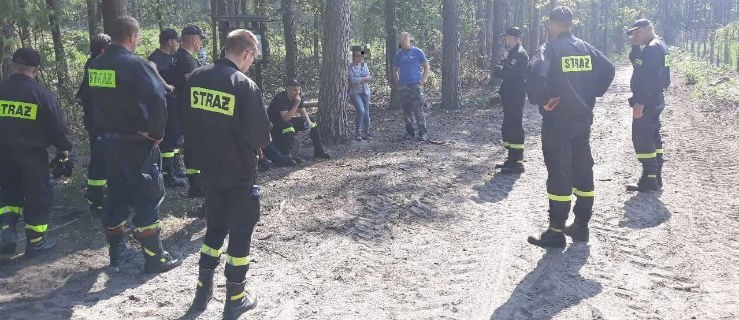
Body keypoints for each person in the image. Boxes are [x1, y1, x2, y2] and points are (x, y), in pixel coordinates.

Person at [183, 29, 271, 319]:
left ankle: (202, 292)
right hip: (238, 172)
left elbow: (185, 119)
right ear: (246, 53)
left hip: (207, 170)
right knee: (241, 232)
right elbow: (260, 135)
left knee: (215, 228)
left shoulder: (194, 78)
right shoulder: (244, 85)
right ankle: (235, 297)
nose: (251, 64)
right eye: (252, 58)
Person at [88, 16, 181, 272]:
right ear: (132, 37)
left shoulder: (96, 65)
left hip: (107, 143)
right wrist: (157, 133)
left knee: (116, 194)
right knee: (147, 195)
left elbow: (88, 99)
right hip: (136, 143)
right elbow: (157, 99)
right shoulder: (135, 65)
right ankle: (154, 257)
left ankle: (117, 252)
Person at [526, 6, 615, 249]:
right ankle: (581, 226)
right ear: (571, 24)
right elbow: (608, 70)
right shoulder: (586, 48)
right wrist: (592, 93)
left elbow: (534, 77)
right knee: (583, 172)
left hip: (558, 125)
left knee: (559, 175)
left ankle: (555, 232)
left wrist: (544, 99)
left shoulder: (550, 49)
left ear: (552, 24)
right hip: (582, 123)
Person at [0, 48, 73, 257]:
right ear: (37, 69)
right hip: (31, 156)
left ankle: (6, 231)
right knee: (37, 195)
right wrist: (63, 149)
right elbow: (57, 127)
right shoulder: (41, 95)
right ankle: (36, 241)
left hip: (2, 155)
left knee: (8, 191)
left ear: (13, 65)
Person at [625, 19, 671, 192]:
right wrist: (636, 47)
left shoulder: (652, 48)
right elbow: (637, 64)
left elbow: (649, 78)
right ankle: (656, 177)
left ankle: (649, 179)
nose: (635, 35)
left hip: (648, 100)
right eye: (633, 33)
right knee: (653, 136)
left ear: (649, 28)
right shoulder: (660, 45)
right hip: (656, 98)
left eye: (638, 32)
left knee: (642, 137)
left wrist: (640, 102)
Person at [77, 33, 112, 217]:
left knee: (103, 158)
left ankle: (100, 196)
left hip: (99, 122)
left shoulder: (94, 63)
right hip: (99, 123)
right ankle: (95, 199)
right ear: (103, 49)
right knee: (100, 159)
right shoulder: (97, 66)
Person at [148, 28, 188, 188]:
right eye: (177, 42)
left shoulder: (173, 57)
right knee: (169, 139)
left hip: (175, 104)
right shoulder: (156, 57)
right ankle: (168, 175)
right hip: (165, 104)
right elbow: (150, 66)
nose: (179, 45)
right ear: (170, 41)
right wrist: (165, 85)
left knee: (176, 137)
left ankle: (176, 169)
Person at [173, 25, 207, 198]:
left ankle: (195, 181)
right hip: (189, 111)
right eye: (201, 40)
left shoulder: (177, 56)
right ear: (194, 40)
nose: (201, 44)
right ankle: (196, 184)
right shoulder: (187, 60)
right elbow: (194, 86)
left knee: (189, 146)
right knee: (194, 146)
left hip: (179, 109)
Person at [493, 27, 529, 173]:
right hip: (509, 94)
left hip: (515, 94)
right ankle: (511, 159)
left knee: (514, 125)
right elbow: (499, 69)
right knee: (508, 125)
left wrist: (501, 69)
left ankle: (518, 162)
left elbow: (505, 72)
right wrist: (501, 68)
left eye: (506, 37)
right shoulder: (512, 52)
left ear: (512, 37)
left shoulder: (519, 54)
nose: (505, 40)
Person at [267, 79, 331, 161]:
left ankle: (319, 150)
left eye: (299, 89)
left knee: (312, 121)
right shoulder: (281, 98)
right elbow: (285, 118)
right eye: (294, 90)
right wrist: (296, 103)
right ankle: (287, 155)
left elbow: (303, 113)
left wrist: (308, 121)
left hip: (286, 121)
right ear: (288, 89)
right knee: (288, 126)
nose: (297, 92)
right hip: (273, 125)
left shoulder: (297, 97)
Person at [394, 32, 430, 141]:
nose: (404, 40)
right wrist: (398, 82)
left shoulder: (417, 51)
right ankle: (410, 132)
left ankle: (423, 133)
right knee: (406, 110)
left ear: (409, 39)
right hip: (403, 86)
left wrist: (423, 79)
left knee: (418, 109)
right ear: (400, 40)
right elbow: (394, 70)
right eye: (402, 38)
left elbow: (426, 66)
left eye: (405, 38)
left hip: (415, 85)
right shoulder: (399, 54)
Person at [348, 47, 373, 141]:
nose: (359, 57)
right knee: (361, 110)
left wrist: (363, 78)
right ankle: (357, 133)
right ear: (353, 56)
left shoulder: (364, 65)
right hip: (354, 92)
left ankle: (366, 133)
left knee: (366, 112)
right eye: (357, 55)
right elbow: (352, 80)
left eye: (361, 56)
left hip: (365, 91)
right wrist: (363, 79)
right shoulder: (349, 66)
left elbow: (369, 77)